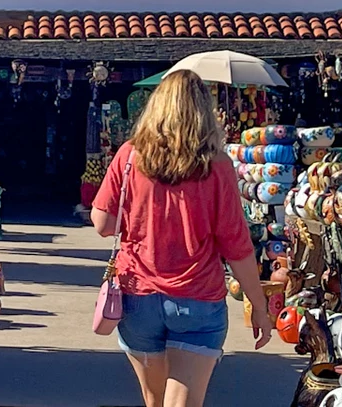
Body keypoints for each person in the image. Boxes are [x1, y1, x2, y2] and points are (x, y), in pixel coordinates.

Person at [91, 69, 271, 407]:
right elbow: (237, 246)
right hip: (198, 298)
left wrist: (142, 214)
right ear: (203, 111)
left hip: (137, 296)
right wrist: (258, 307)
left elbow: (102, 223)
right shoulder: (217, 166)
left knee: (154, 400)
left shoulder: (129, 156)